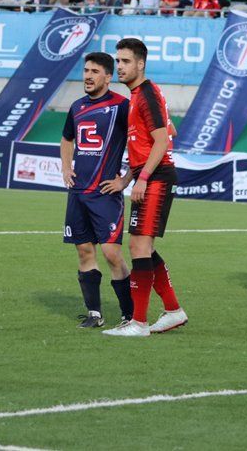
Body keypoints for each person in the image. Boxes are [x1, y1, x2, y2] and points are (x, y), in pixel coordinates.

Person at [101, 39, 187, 336]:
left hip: (158, 177)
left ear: (141, 64)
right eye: (118, 61)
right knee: (142, 247)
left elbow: (163, 140)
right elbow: (167, 130)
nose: (120, 67)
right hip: (151, 174)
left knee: (139, 246)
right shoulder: (141, 95)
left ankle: (138, 322)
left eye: (126, 61)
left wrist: (142, 178)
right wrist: (126, 179)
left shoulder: (146, 93)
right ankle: (173, 310)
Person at [60, 52, 134, 328]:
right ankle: (95, 314)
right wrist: (66, 168)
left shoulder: (122, 106)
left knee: (112, 254)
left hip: (106, 193)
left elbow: (144, 143)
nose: (88, 76)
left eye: (94, 71)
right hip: (78, 192)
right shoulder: (77, 106)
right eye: (86, 71)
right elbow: (67, 139)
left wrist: (125, 180)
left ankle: (130, 315)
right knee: (84, 252)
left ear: (108, 76)